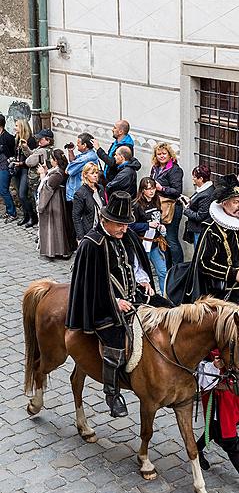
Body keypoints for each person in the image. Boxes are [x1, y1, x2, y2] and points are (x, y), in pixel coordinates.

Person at [66, 191, 159, 418]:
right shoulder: (92, 244)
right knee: (116, 340)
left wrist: (145, 281)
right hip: (103, 305)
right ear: (105, 220)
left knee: (166, 309)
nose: (124, 229)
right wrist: (116, 302)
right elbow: (91, 283)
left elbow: (135, 265)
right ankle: (112, 391)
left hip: (133, 295)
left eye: (126, 225)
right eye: (119, 225)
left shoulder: (126, 236)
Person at [167, 174, 239, 306]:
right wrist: (232, 274)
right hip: (225, 288)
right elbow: (204, 262)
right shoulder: (212, 230)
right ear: (224, 204)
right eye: (236, 202)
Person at [196, 348, 239, 493]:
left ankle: (197, 449)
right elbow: (200, 373)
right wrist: (214, 365)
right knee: (229, 439)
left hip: (232, 397)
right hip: (218, 400)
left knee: (213, 429)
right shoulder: (209, 344)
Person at [131, 177, 168, 294]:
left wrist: (161, 226)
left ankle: (164, 295)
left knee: (162, 271)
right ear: (142, 190)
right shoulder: (136, 205)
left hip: (155, 243)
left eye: (153, 188)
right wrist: (147, 225)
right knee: (143, 273)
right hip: (143, 244)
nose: (151, 191)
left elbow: (158, 217)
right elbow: (131, 226)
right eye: (148, 189)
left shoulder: (156, 201)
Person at [37, 149, 75, 259]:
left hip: (54, 202)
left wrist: (42, 174)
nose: (50, 160)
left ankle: (57, 250)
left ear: (56, 160)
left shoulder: (58, 174)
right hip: (57, 199)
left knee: (55, 225)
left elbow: (47, 188)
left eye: (51, 159)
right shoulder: (59, 170)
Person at [150, 142, 184, 266]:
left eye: (164, 153)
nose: (161, 156)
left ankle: (178, 267)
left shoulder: (175, 169)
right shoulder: (155, 168)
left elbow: (177, 191)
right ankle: (168, 266)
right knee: (163, 238)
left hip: (172, 208)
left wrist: (161, 188)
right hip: (159, 206)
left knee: (171, 238)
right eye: (159, 154)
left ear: (170, 154)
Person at [23, 128, 55, 228]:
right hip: (42, 180)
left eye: (41, 139)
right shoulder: (48, 149)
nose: (39, 140)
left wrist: (30, 156)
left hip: (38, 181)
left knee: (39, 203)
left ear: (48, 140)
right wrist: (26, 148)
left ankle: (42, 227)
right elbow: (32, 154)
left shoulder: (42, 151)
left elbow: (29, 162)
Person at [72, 163, 106, 243]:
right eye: (92, 173)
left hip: (101, 229)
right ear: (85, 175)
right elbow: (76, 217)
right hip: (89, 230)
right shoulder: (80, 193)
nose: (95, 175)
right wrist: (80, 237)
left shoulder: (100, 188)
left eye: (96, 173)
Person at [182, 165, 214, 247]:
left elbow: (200, 216)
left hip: (200, 230)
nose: (193, 178)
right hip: (198, 229)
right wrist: (190, 200)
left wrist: (186, 210)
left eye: (195, 177)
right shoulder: (203, 189)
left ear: (201, 179)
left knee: (198, 254)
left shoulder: (206, 194)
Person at [13, 119, 37, 227]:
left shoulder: (30, 140)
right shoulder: (17, 138)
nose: (15, 127)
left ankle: (32, 216)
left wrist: (21, 163)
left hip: (26, 169)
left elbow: (32, 158)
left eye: (17, 125)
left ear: (22, 127)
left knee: (23, 194)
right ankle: (26, 215)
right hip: (18, 169)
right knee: (19, 194)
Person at [65, 133, 98, 203]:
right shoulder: (89, 154)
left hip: (77, 194)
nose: (77, 145)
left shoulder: (86, 158)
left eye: (78, 143)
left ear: (84, 145)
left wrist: (69, 166)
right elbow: (73, 161)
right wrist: (70, 151)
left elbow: (68, 171)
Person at [0, 113, 17, 222]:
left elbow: (11, 153)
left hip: (5, 166)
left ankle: (12, 212)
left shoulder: (7, 137)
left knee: (3, 190)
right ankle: (8, 210)